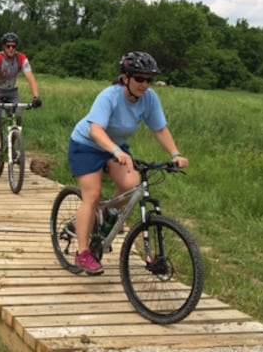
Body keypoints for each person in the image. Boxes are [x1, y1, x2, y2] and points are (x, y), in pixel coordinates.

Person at [67, 51, 189, 275]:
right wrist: (114, 150)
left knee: (132, 184)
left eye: (148, 80)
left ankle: (109, 214)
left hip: (114, 147)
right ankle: (83, 253)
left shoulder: (150, 99)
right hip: (87, 144)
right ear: (126, 78)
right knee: (92, 195)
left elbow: (159, 129)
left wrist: (175, 154)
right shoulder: (109, 96)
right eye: (139, 79)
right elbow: (95, 130)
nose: (144, 85)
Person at [0, 32, 41, 164]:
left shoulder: (21, 59)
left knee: (18, 116)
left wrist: (36, 97)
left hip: (12, 92)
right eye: (8, 46)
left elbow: (30, 78)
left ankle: (11, 147)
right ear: (3, 47)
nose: (11, 49)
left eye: (13, 46)